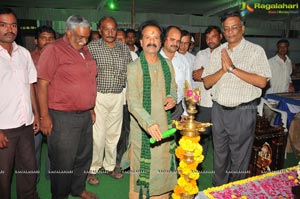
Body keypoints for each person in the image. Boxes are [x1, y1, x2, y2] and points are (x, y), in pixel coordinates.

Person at [202, 10, 271, 186]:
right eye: (226, 29)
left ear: (242, 28)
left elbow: (262, 81)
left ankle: (236, 190)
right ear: (223, 31)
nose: (230, 32)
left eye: (234, 27)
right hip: (218, 110)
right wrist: (223, 70)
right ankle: (218, 190)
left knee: (239, 157)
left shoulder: (255, 51)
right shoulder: (218, 51)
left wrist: (232, 68)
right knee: (219, 154)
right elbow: (207, 82)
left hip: (242, 111)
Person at [37, 15, 98, 199]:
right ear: (68, 32)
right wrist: (44, 116)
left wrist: (90, 108)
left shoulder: (85, 50)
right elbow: (42, 84)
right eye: (80, 36)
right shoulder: (53, 50)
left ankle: (78, 189)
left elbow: (87, 81)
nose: (84, 40)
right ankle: (60, 195)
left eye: (87, 36)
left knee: (83, 157)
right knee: (62, 162)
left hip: (84, 115)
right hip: (62, 117)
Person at [127, 20, 177, 199]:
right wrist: (148, 123)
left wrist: (172, 97)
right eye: (147, 37)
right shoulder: (133, 68)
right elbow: (132, 102)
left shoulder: (167, 65)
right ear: (140, 42)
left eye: (156, 37)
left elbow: (173, 87)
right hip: (142, 131)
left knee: (164, 171)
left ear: (161, 42)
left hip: (165, 127)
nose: (151, 40)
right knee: (142, 174)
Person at [87, 16, 132, 185]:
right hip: (98, 96)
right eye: (107, 29)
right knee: (98, 136)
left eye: (113, 29)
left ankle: (110, 166)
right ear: (100, 30)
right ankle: (92, 168)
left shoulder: (123, 48)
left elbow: (129, 71)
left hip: (118, 96)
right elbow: (87, 76)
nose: (111, 32)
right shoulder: (92, 48)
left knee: (114, 134)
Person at [0, 7, 40, 199]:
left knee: (28, 169)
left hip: (25, 124)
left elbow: (30, 86)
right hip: (4, 127)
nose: (10, 29)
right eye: (3, 25)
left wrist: (37, 115)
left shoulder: (24, 53)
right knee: (3, 176)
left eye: (13, 25)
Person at [192, 26, 223, 159]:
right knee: (201, 137)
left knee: (220, 139)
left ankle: (221, 168)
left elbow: (229, 77)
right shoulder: (201, 54)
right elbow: (196, 76)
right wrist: (219, 73)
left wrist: (205, 72)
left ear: (220, 36)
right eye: (207, 37)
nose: (210, 40)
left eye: (213, 36)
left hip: (222, 103)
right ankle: (197, 165)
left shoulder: (227, 52)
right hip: (204, 102)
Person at [30, 25, 56, 181]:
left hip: (53, 108)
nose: (47, 41)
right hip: (33, 110)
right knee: (33, 146)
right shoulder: (29, 58)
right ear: (36, 40)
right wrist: (36, 113)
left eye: (51, 38)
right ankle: (33, 177)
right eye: (43, 38)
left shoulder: (58, 58)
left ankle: (51, 174)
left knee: (53, 146)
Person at [115, 28, 137, 170]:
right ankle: (115, 159)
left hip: (128, 101)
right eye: (118, 38)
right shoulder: (108, 55)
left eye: (122, 39)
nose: (120, 41)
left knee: (128, 131)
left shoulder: (134, 56)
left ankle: (127, 159)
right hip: (114, 100)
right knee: (115, 132)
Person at [160, 26, 192, 121]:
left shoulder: (183, 60)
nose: (175, 44)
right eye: (172, 39)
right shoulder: (154, 58)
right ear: (164, 39)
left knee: (175, 135)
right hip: (157, 109)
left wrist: (186, 111)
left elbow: (188, 86)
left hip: (177, 110)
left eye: (178, 41)